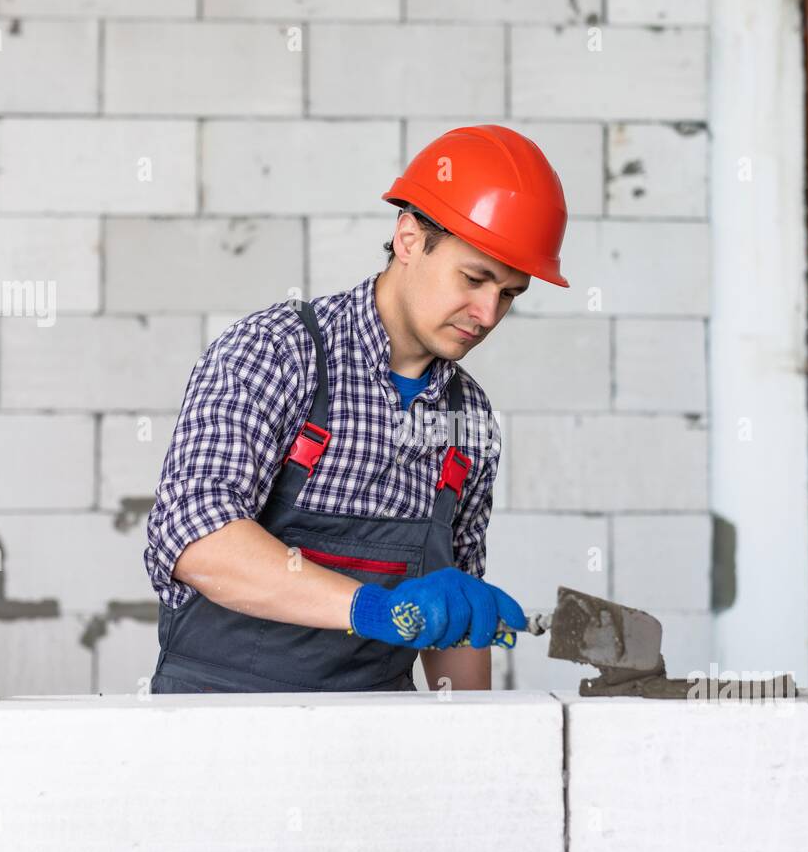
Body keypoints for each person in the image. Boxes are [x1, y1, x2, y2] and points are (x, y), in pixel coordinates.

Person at [142, 124, 570, 693]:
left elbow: (456, 615)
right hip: (222, 725)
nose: (488, 313)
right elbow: (197, 539)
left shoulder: (469, 418)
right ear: (410, 239)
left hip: (377, 741)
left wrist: (475, 745)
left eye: (510, 294)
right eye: (474, 278)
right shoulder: (278, 353)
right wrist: (375, 611)